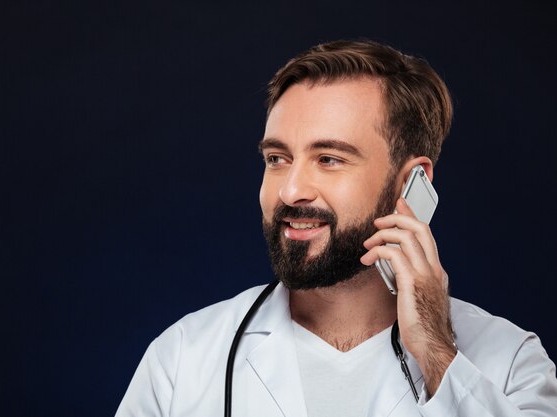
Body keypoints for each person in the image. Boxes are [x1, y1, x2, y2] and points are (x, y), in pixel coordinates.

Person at [115, 40, 557, 416]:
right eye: (277, 158)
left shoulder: (512, 362)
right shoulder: (181, 360)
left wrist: (438, 355)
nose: (290, 191)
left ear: (409, 183)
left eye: (329, 159)